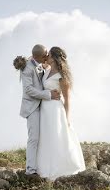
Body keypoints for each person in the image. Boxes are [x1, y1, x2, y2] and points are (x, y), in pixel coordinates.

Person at [34, 46, 86, 180]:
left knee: (56, 137)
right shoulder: (47, 70)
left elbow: (68, 99)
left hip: (56, 111)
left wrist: (67, 119)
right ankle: (44, 168)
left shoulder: (62, 77)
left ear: (55, 58)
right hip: (44, 109)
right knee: (46, 138)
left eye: (49, 55)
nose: (47, 57)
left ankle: (60, 169)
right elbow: (33, 61)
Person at [13, 44, 61, 178]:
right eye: (45, 54)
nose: (47, 56)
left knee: (43, 138)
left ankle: (42, 167)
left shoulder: (40, 64)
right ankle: (30, 170)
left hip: (43, 107)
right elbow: (28, 90)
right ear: (39, 56)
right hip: (32, 107)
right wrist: (49, 94)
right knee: (33, 138)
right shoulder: (27, 67)